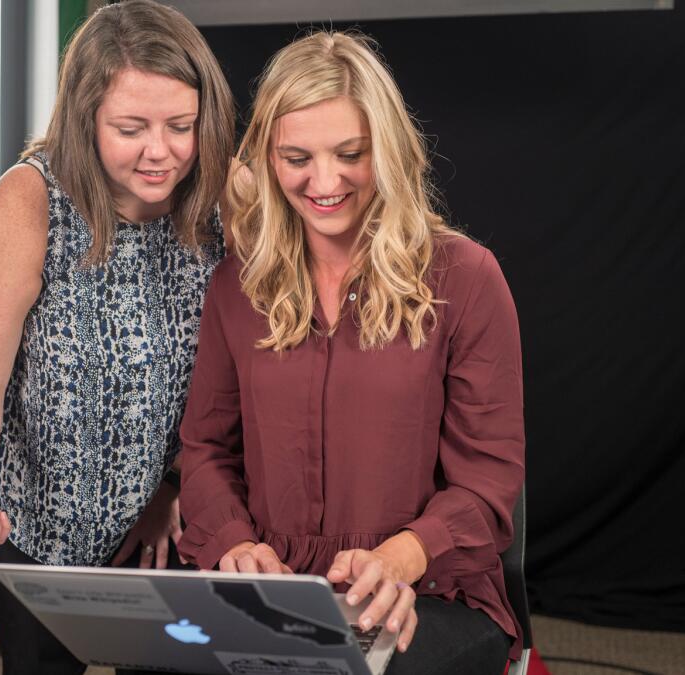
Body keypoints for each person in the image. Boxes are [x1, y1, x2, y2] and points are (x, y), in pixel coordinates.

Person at [177, 31, 524, 674]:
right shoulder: (234, 285)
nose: (325, 181)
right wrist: (236, 544)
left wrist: (402, 555)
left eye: (350, 153)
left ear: (386, 151)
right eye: (297, 157)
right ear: (268, 160)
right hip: (272, 585)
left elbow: (488, 480)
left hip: (425, 585)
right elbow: (205, 453)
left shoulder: (468, 278)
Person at [0, 1, 234, 673]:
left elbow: (233, 382)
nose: (161, 151)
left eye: (181, 126)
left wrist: (175, 486)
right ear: (85, 118)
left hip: (165, 528)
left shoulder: (217, 205)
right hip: (38, 530)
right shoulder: (31, 200)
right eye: (132, 128)